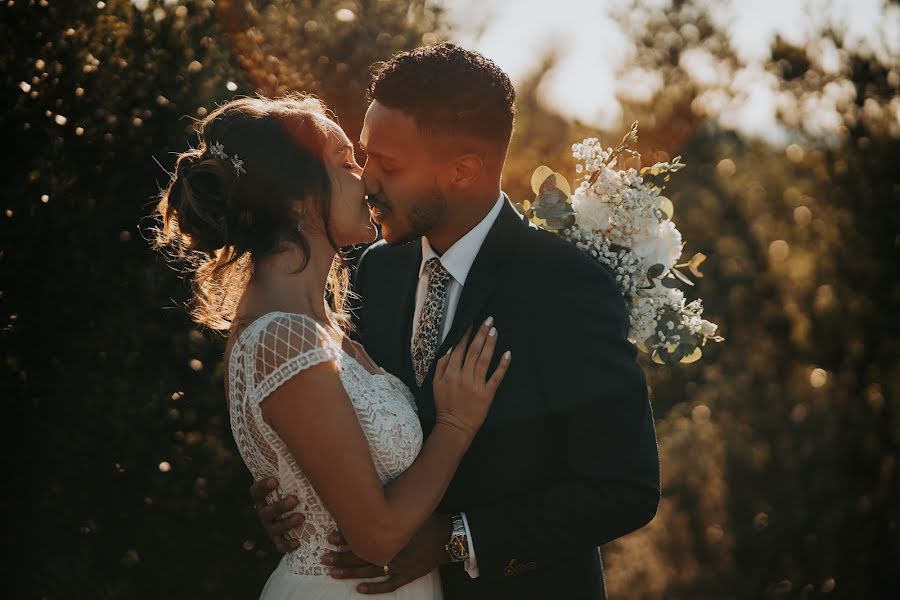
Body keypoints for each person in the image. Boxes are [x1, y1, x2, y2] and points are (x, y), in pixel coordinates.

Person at [252, 44, 661, 600]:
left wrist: (460, 539)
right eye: (365, 156)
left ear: (463, 170)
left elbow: (624, 487)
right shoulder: (378, 270)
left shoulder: (566, 286)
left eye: (388, 166)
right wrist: (299, 495)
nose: (366, 180)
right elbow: (352, 426)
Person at [154, 94, 511, 599]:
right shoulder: (283, 337)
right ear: (296, 198)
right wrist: (456, 425)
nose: (365, 178)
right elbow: (380, 537)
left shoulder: (322, 327)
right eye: (346, 163)